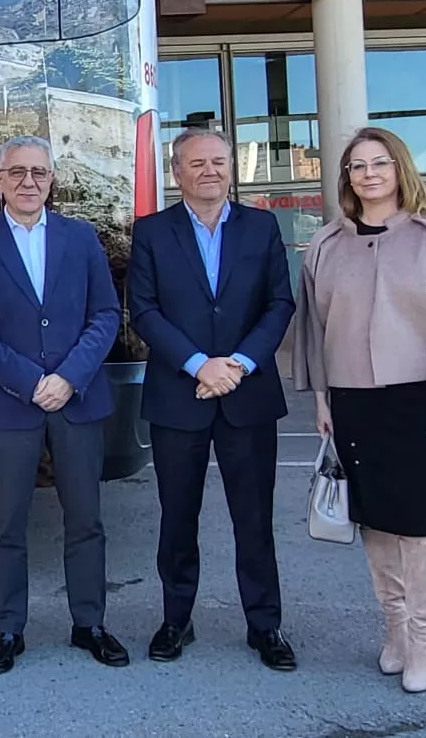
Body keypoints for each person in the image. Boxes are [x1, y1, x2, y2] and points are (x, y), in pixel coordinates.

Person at [292, 126, 426, 694]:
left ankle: (424, 636)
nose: (369, 174)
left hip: (423, 399)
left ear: (399, 168)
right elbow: (315, 328)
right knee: (376, 523)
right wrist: (322, 400)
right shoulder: (327, 246)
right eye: (357, 166)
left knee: (421, 525)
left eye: (379, 163)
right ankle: (394, 627)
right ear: (347, 178)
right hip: (354, 402)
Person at [0, 135, 127, 674]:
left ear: (53, 180)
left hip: (76, 399)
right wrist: (30, 381)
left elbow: (105, 314)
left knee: (86, 519)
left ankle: (89, 623)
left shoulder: (81, 238)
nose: (29, 182)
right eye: (18, 172)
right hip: (11, 404)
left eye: (40, 173)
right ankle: (7, 629)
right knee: (5, 523)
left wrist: (69, 377)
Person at [127, 128, 299, 672]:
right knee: (178, 517)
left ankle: (265, 625)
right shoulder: (152, 232)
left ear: (232, 168)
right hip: (180, 395)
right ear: (177, 173)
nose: (209, 171)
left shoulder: (263, 226)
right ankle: (177, 619)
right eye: (196, 163)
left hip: (247, 397)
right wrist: (200, 364)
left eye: (218, 161)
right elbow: (145, 310)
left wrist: (239, 365)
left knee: (254, 518)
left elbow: (279, 304)